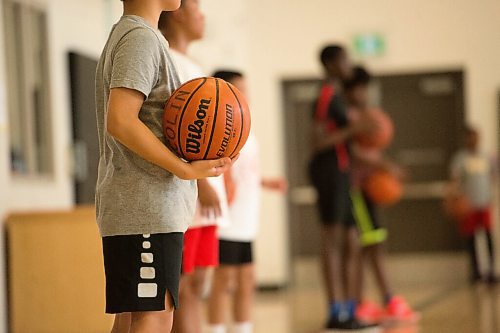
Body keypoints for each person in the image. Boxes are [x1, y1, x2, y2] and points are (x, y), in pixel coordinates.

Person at [95, 0, 233, 332]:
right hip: (144, 206)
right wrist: (185, 169)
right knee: (154, 317)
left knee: (133, 318)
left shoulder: (137, 35)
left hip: (142, 206)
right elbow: (121, 121)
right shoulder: (139, 38)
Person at [159, 3, 230, 333]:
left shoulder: (196, 65)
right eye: (197, 8)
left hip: (205, 191)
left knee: (197, 285)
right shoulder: (167, 60)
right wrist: (202, 182)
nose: (203, 16)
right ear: (176, 12)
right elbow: (173, 132)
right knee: (182, 288)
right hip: (187, 193)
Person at [206, 70, 287, 333]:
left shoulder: (247, 130)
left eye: (245, 88)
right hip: (226, 217)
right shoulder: (218, 128)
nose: (245, 94)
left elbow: (245, 172)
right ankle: (216, 329)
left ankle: (243, 329)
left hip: (247, 217)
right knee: (224, 279)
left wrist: (265, 182)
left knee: (247, 278)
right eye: (238, 88)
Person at [308, 45, 376, 330]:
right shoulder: (325, 95)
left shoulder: (339, 95)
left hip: (344, 173)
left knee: (351, 241)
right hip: (328, 172)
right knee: (333, 241)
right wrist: (355, 129)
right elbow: (317, 141)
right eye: (345, 59)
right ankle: (335, 311)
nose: (350, 64)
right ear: (332, 63)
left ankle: (350, 307)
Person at [344, 66, 418, 325]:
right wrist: (387, 167)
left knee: (369, 248)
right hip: (356, 191)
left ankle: (368, 302)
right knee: (369, 247)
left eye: (366, 88)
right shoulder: (349, 116)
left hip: (368, 190)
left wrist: (387, 167)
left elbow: (369, 154)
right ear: (350, 90)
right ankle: (380, 301)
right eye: (359, 88)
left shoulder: (363, 115)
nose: (363, 93)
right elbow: (353, 152)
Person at [449, 126, 497, 284]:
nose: (474, 140)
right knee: (471, 239)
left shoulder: (486, 156)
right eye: (471, 137)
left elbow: (493, 176)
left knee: (488, 236)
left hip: (484, 202)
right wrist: (454, 198)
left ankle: (491, 271)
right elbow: (455, 180)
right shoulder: (460, 158)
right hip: (468, 204)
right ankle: (475, 272)